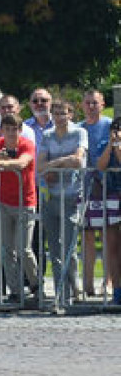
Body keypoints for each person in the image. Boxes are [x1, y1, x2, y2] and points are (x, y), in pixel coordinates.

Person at [0, 112, 41, 305]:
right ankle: (15, 290)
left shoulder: (27, 144)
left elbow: (22, 162)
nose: (11, 133)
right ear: (1, 130)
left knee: (24, 248)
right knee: (7, 249)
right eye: (7, 129)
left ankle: (35, 284)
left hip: (26, 202)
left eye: (14, 129)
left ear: (20, 130)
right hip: (4, 202)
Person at [37, 98, 86, 306]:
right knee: (54, 247)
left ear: (70, 114)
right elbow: (40, 166)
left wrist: (53, 165)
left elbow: (77, 160)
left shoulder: (79, 133)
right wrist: (55, 166)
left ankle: (74, 287)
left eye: (63, 113)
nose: (59, 117)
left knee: (69, 246)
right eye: (55, 113)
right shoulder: (47, 135)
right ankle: (60, 292)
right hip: (51, 197)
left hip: (72, 196)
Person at [78, 88, 112, 299]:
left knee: (108, 236)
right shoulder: (78, 128)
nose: (91, 107)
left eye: (95, 103)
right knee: (87, 236)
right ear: (82, 105)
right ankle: (88, 283)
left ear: (102, 104)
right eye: (88, 103)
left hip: (109, 187)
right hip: (84, 189)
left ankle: (107, 282)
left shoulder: (110, 126)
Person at [95, 119, 121, 305]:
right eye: (115, 130)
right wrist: (111, 146)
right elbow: (101, 166)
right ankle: (117, 290)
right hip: (111, 195)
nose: (117, 133)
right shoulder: (105, 144)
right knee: (112, 247)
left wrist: (118, 147)